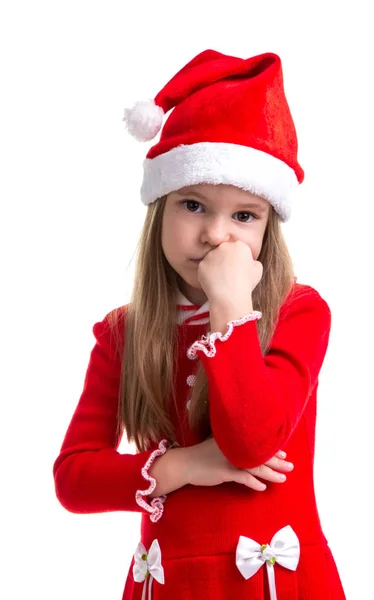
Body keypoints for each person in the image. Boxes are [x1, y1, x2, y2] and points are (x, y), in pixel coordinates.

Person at [53, 49, 347, 599]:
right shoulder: (125, 332)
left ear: (268, 228)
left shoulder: (298, 312)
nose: (216, 234)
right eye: (193, 205)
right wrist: (185, 466)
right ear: (159, 209)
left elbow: (252, 440)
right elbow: (73, 478)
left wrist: (232, 305)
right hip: (172, 584)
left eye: (243, 215)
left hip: (275, 583)